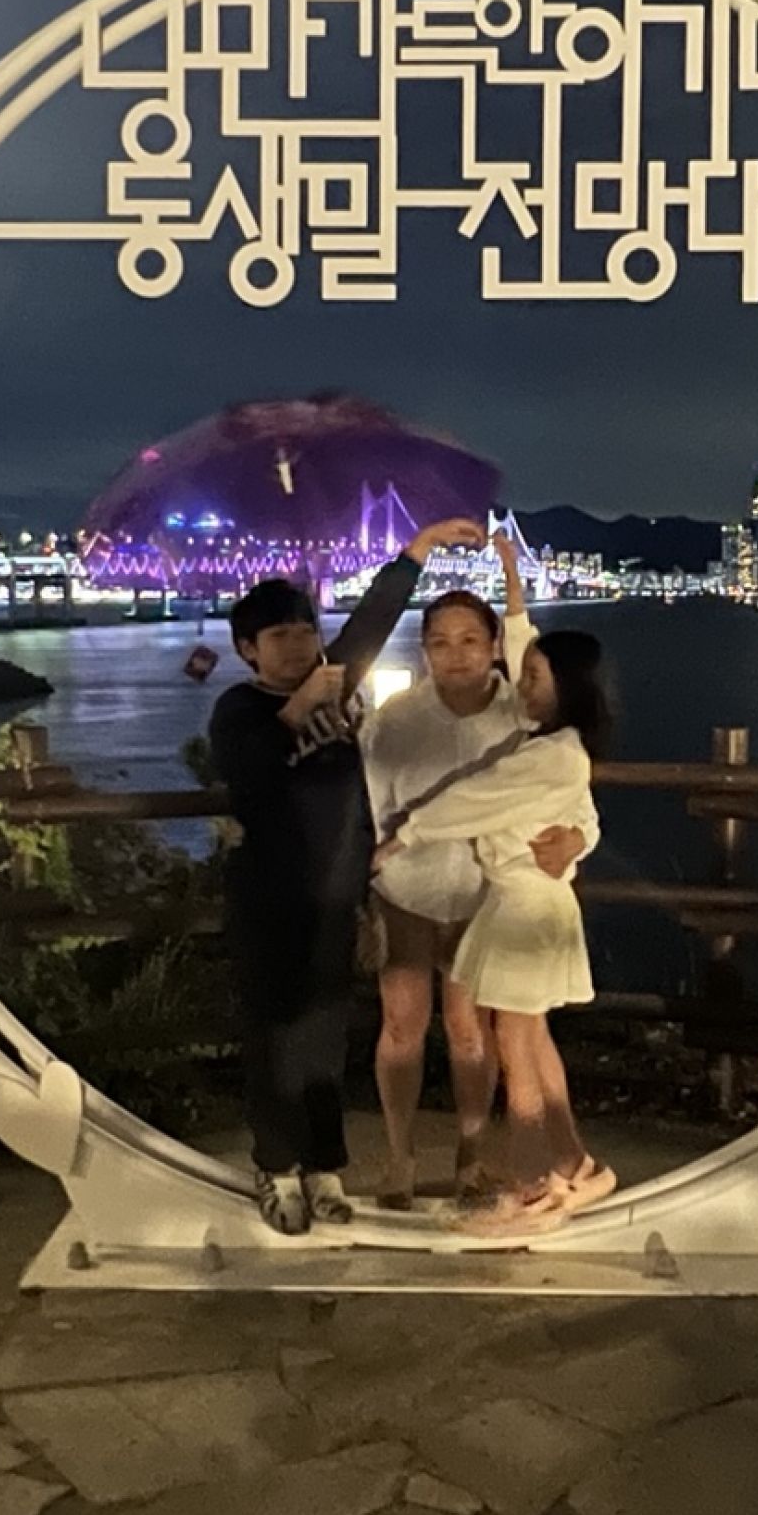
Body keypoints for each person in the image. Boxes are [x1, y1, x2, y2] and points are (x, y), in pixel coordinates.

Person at [209, 516, 486, 1236]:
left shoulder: (334, 689)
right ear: (247, 650)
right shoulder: (239, 710)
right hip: (268, 902)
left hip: (334, 899)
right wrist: (297, 710)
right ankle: (276, 1169)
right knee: (274, 1037)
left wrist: (418, 550)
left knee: (325, 1039)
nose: (299, 645)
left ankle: (324, 1167)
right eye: (279, 636)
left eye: (306, 631)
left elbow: (373, 620)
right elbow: (249, 778)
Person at [373, 555, 616, 1229]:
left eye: (471, 641)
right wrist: (509, 572)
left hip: (510, 903)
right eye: (439, 642)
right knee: (514, 1040)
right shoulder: (402, 720)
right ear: (424, 651)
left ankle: (522, 1178)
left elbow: (490, 795)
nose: (457, 655)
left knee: (505, 1044)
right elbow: (527, 646)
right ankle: (569, 1167)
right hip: (470, 900)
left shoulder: (534, 731)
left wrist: (405, 834)